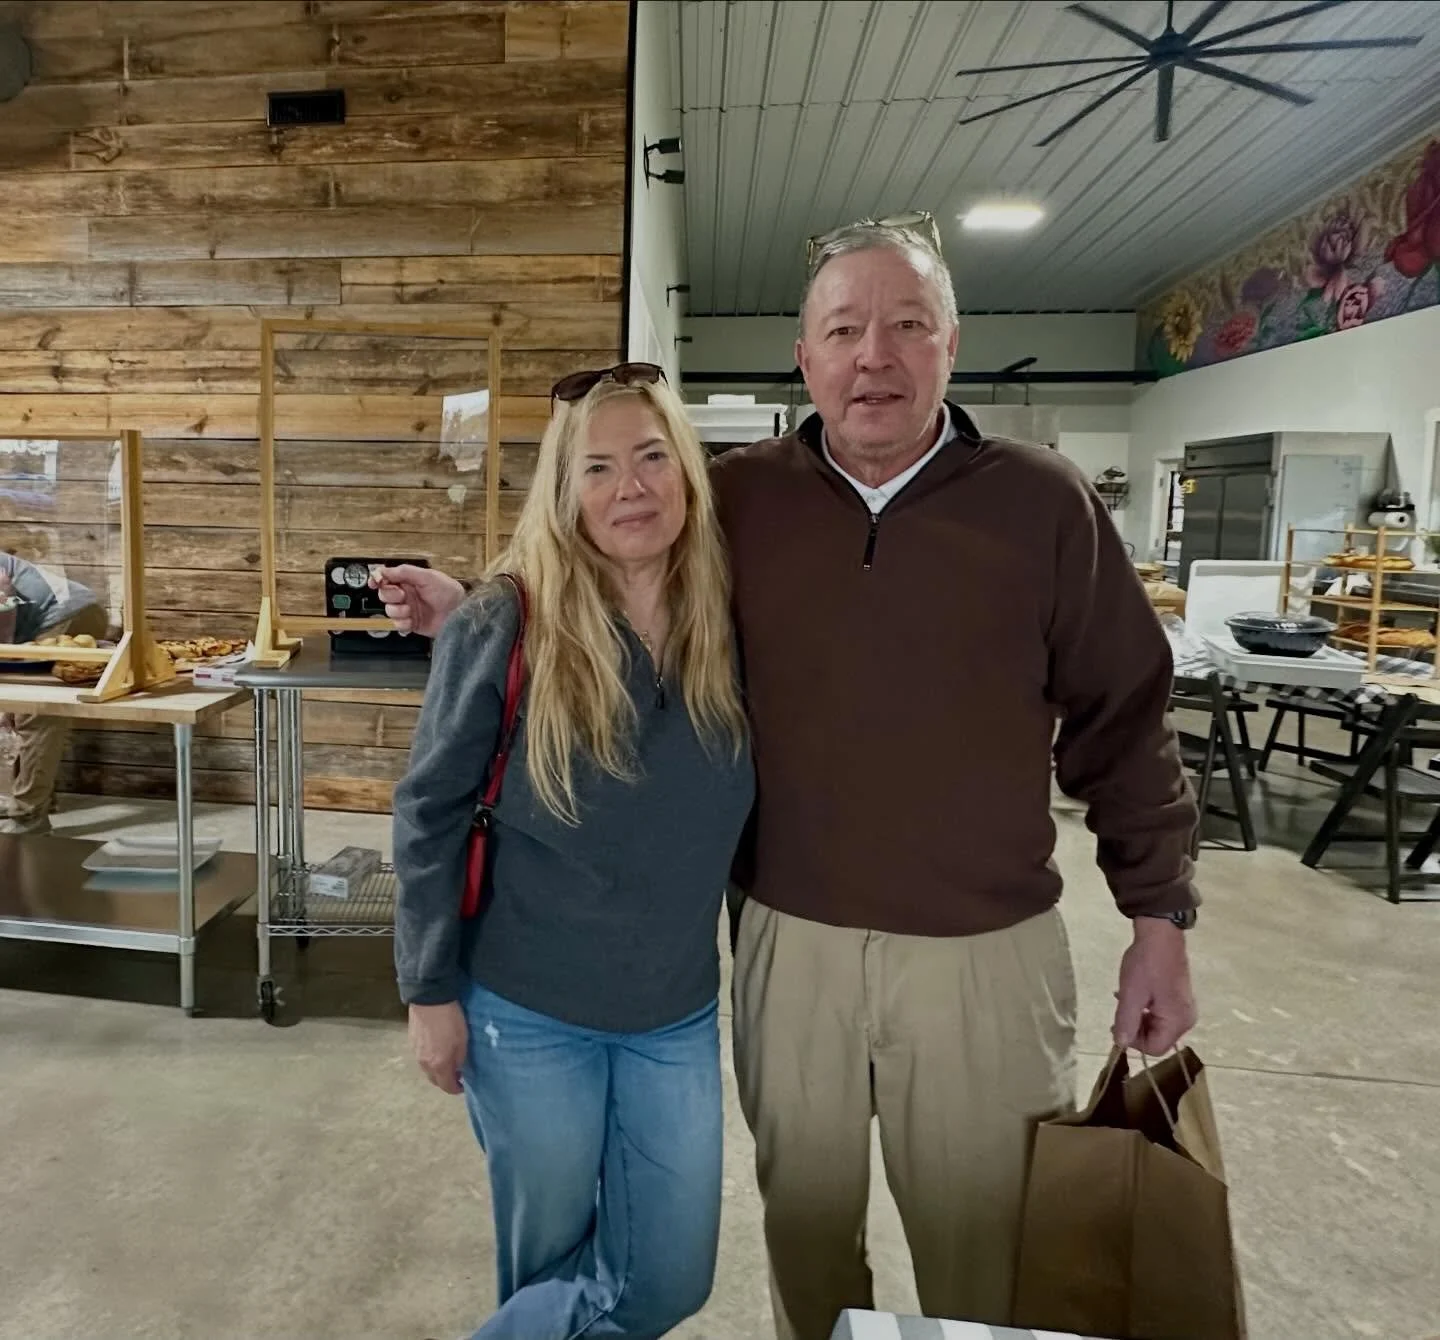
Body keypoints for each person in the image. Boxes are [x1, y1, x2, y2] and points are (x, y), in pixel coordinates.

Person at [378, 219, 1200, 1338]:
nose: (877, 356)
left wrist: (1158, 913)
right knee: (806, 1244)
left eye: (907, 325)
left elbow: (1127, 716)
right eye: (845, 329)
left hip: (981, 957)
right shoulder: (743, 501)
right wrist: (473, 604)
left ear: (951, 344)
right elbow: (606, 555)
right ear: (803, 358)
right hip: (787, 945)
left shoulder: (1044, 504)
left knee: (985, 1250)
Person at [390, 364, 753, 1340]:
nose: (629, 486)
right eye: (597, 467)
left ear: (687, 471)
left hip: (674, 1010)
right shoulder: (505, 619)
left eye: (650, 457)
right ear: (565, 492)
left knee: (670, 1275)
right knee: (548, 1264)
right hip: (527, 1011)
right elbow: (429, 810)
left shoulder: (731, 619)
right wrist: (428, 992)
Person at [0, 552, 105, 836]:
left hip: (69, 615)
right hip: (36, 623)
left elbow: (2, 592)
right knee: (19, 710)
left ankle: (29, 815)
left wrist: (7, 657)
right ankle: (30, 798)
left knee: (36, 712)